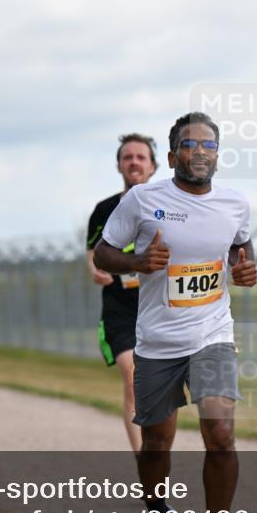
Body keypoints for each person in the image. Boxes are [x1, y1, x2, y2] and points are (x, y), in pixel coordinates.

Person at [93, 112, 256, 513]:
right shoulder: (144, 199)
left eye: (208, 144)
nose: (199, 151)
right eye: (189, 145)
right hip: (159, 342)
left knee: (221, 433)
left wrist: (244, 271)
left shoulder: (235, 203)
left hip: (213, 335)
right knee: (157, 443)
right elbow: (104, 252)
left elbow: (241, 250)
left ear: (218, 155)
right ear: (171, 156)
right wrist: (138, 261)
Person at [86, 133, 158, 453]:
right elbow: (92, 250)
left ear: (154, 166)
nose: (134, 162)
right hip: (120, 308)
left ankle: (161, 448)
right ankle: (146, 462)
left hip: (160, 307)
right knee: (132, 376)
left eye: (141, 157)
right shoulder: (104, 209)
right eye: (127, 157)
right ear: (118, 165)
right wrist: (94, 269)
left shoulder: (169, 205)